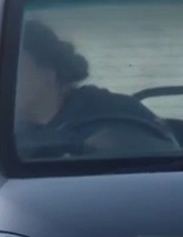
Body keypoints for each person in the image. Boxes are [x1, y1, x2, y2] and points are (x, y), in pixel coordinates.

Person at [13, 19, 174, 157]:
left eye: (15, 67)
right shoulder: (3, 137)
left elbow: (165, 157)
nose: (6, 76)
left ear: (49, 70)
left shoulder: (114, 111)